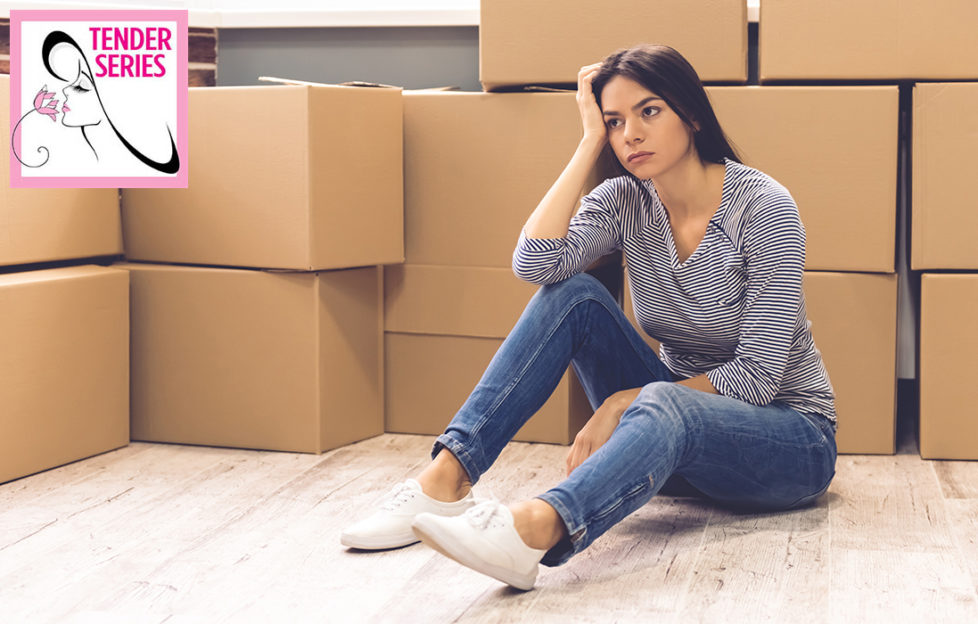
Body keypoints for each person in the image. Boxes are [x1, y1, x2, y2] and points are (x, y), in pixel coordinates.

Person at [341, 44, 837, 591]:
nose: (631, 134)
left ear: (692, 115)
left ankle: (534, 530)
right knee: (572, 294)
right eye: (615, 121)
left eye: (649, 111)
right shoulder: (625, 200)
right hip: (671, 430)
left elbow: (759, 378)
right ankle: (447, 477)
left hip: (789, 441)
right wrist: (586, 144)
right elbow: (536, 263)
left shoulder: (762, 206)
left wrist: (627, 400)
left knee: (664, 397)